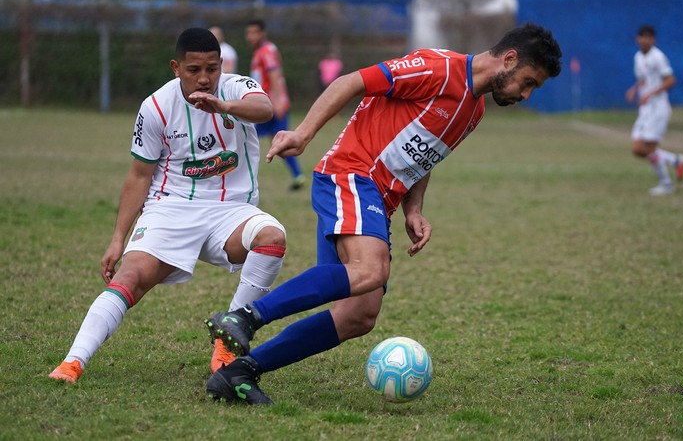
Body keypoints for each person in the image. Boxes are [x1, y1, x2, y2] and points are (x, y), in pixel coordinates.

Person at [203, 22, 562, 405]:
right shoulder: (437, 68)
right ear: (509, 59)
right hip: (352, 174)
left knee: (359, 314)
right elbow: (350, 82)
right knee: (371, 270)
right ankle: (244, 318)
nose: (526, 93)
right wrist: (303, 134)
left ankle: (239, 373)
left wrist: (414, 208)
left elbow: (426, 153)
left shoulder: (473, 110)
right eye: (529, 82)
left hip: (379, 198)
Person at [49, 28, 287, 383]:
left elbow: (265, 109)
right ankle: (72, 363)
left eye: (211, 68)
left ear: (221, 65)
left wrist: (224, 106)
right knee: (131, 278)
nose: (204, 78)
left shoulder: (237, 88)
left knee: (273, 237)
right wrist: (118, 238)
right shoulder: (156, 106)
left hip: (231, 211)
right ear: (176, 67)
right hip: (171, 208)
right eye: (194, 70)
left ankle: (227, 341)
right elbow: (139, 175)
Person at [625, 25, 683, 196]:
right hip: (645, 110)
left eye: (649, 37)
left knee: (648, 147)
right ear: (637, 39)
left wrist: (650, 94)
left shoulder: (658, 57)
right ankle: (675, 160)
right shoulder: (638, 57)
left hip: (658, 108)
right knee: (638, 148)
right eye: (642, 37)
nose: (645, 40)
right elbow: (643, 79)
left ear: (654, 40)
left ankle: (667, 184)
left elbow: (670, 80)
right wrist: (634, 89)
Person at [245, 18, 305, 191]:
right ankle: (298, 176)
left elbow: (275, 75)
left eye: (254, 32)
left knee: (248, 137)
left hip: (269, 107)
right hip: (266, 105)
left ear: (262, 34)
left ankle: (243, 181)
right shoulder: (259, 52)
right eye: (248, 33)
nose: (250, 36)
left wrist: (278, 102)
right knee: (276, 142)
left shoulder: (266, 51)